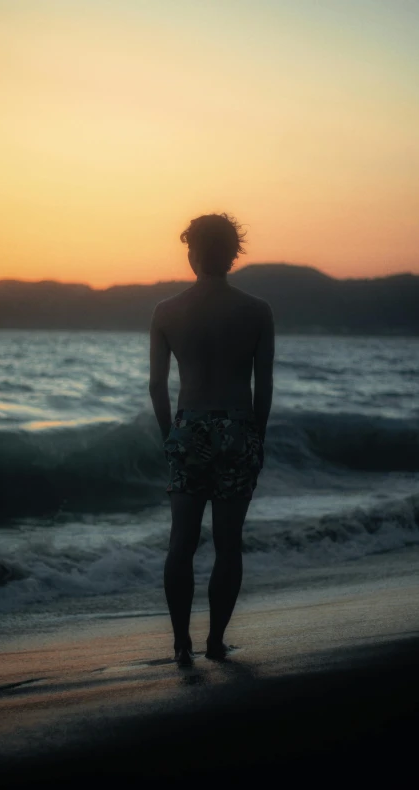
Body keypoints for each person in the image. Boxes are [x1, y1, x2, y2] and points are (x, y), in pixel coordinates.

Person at [149, 213, 274, 666]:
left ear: (192, 252)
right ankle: (215, 642)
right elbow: (265, 386)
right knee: (228, 543)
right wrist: (255, 438)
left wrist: (171, 437)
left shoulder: (167, 311)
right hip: (238, 428)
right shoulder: (257, 311)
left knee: (181, 541)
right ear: (233, 254)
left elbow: (156, 386)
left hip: (189, 427)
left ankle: (180, 643)